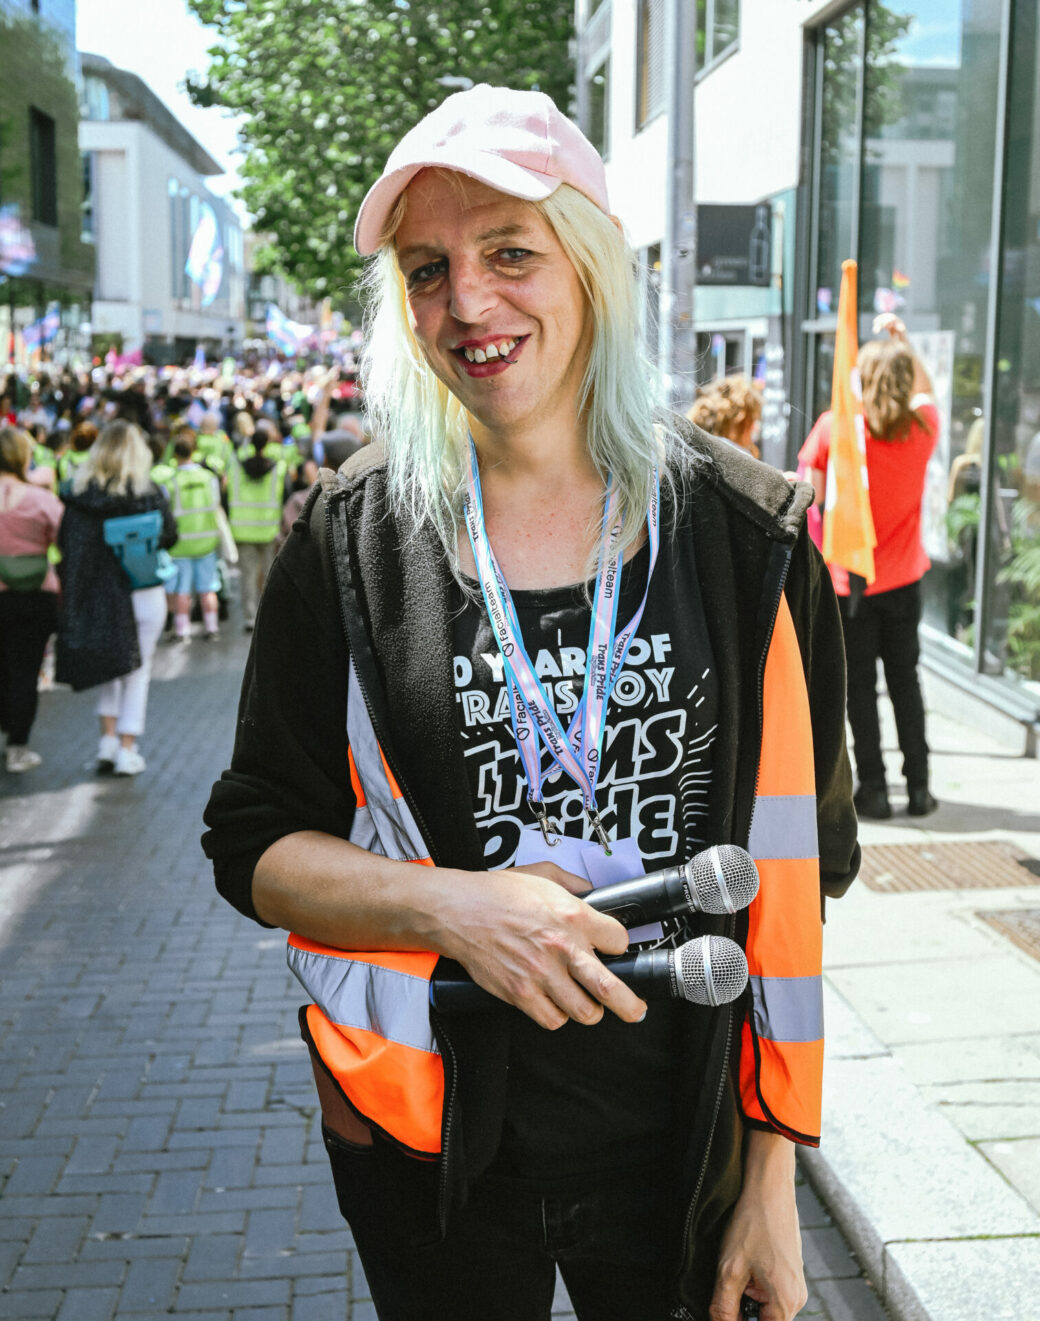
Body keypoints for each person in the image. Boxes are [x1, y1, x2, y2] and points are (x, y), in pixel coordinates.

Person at [203, 85, 858, 1321]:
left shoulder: (744, 537)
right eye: (426, 269)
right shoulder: (350, 537)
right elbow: (251, 844)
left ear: (594, 268)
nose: (468, 303)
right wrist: (454, 909)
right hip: (431, 1141)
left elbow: (799, 867)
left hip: (682, 1142)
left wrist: (774, 1175)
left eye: (510, 252)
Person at [799, 313, 939, 819]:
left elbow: (807, 494)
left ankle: (874, 790)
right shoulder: (923, 428)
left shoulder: (836, 428)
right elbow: (925, 391)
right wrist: (901, 343)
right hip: (904, 582)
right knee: (906, 682)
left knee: (858, 689)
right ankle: (919, 788)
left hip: (848, 584)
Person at [55, 420, 177, 775]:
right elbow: (169, 535)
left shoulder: (79, 495)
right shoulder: (149, 491)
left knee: (109, 668)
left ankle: (107, 743)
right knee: (138, 671)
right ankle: (128, 749)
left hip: (98, 594)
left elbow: (68, 545)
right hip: (143, 591)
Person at [0, 426, 63, 773]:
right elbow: (62, 536)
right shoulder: (40, 498)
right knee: (26, 671)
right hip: (33, 595)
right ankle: (17, 748)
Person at [166, 428, 223, 643]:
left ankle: (182, 631)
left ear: (174, 454)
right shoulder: (209, 478)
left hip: (180, 545)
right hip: (206, 541)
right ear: (194, 451)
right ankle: (212, 627)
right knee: (208, 588)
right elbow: (216, 505)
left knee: (182, 590)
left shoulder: (171, 482)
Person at [227, 432, 287, 631]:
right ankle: (269, 615)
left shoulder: (235, 467)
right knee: (269, 573)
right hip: (268, 529)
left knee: (248, 575)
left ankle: (250, 618)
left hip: (242, 529)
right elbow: (285, 494)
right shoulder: (277, 468)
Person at [686, 375, 762, 460]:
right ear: (738, 421)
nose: (755, 428)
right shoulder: (739, 457)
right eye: (752, 420)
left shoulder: (694, 449)